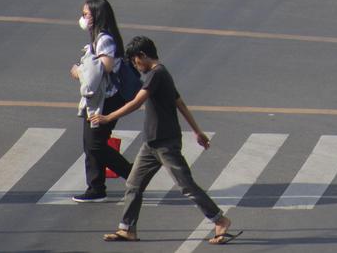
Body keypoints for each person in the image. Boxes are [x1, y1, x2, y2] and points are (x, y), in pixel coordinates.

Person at [88, 36, 239, 245]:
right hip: (151, 144)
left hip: (165, 143)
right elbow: (180, 103)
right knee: (133, 183)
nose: (135, 65)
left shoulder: (156, 74)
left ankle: (220, 220)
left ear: (142, 56)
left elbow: (136, 102)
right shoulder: (161, 74)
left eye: (134, 61)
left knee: (186, 185)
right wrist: (197, 131)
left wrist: (108, 117)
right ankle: (127, 229)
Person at [68, 0, 133, 203]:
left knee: (95, 145)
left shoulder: (105, 39)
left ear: (96, 16)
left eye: (86, 14)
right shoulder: (98, 38)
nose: (83, 18)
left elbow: (105, 66)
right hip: (100, 99)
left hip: (108, 100)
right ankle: (96, 187)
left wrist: (80, 71)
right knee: (92, 144)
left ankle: (134, 175)